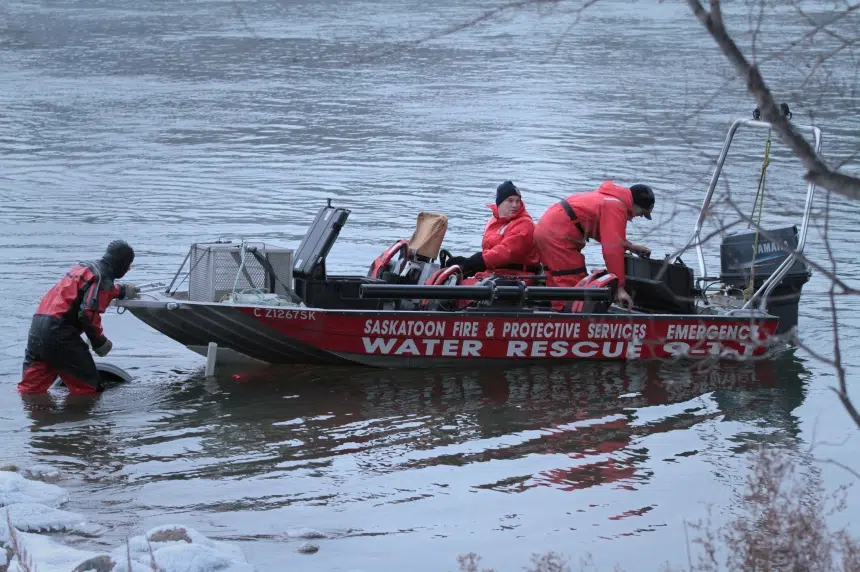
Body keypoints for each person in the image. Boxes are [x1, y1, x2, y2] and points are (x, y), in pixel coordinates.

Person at [18, 240, 139, 395]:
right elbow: (88, 313)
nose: (128, 269)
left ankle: (31, 417)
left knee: (30, 390)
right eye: (128, 265)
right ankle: (81, 417)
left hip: (37, 328)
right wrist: (99, 342)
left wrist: (121, 290)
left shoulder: (83, 268)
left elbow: (87, 291)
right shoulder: (102, 277)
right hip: (59, 333)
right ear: (121, 263)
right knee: (88, 390)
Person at [533, 181, 654, 310]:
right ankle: (570, 320)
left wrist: (630, 247)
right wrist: (619, 288)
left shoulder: (608, 199)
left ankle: (556, 314)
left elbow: (608, 236)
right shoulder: (616, 206)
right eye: (642, 212)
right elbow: (612, 250)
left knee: (557, 280)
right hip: (558, 236)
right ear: (635, 204)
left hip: (546, 229)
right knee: (573, 284)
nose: (639, 216)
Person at [443, 180, 541, 278]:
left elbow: (507, 251)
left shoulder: (525, 224)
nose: (515, 205)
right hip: (494, 273)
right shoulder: (494, 221)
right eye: (510, 200)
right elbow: (489, 249)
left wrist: (478, 261)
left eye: (517, 201)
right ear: (500, 202)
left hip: (517, 277)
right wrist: (468, 263)